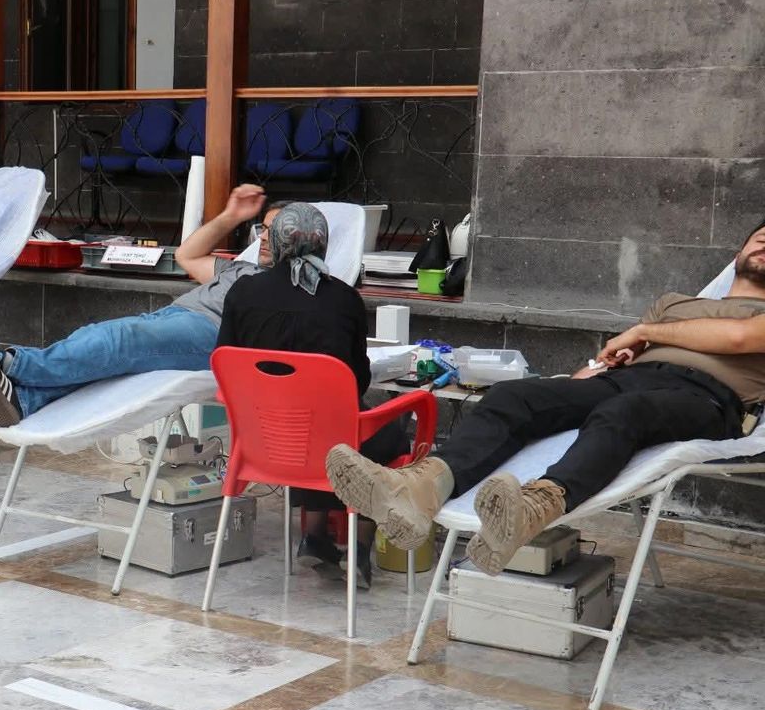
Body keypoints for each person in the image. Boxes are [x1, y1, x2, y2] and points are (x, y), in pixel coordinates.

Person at [326, 219, 765, 576]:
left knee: (625, 411)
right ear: (737, 255)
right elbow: (611, 360)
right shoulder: (673, 304)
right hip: (631, 380)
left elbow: (738, 337)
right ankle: (419, 489)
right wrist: (578, 383)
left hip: (710, 399)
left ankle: (536, 506)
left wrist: (644, 331)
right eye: (761, 238)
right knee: (514, 396)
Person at [0, 184, 286, 426]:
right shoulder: (242, 269)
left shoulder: (287, 286)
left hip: (210, 335)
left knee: (120, 340)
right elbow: (187, 256)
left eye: (275, 232)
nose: (263, 238)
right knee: (102, 347)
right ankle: (26, 400)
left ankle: (12, 363)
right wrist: (231, 216)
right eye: (263, 229)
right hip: (175, 318)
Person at [216, 202, 407, 589]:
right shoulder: (344, 299)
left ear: (278, 242)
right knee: (384, 435)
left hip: (263, 443)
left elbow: (225, 358)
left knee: (303, 418)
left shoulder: (243, 292)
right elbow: (357, 380)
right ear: (323, 244)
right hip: (327, 442)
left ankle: (316, 535)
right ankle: (359, 548)